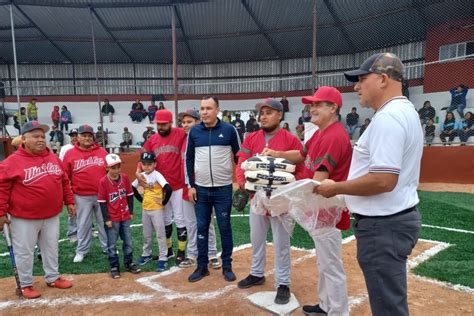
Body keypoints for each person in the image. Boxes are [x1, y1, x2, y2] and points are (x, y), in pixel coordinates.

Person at [317, 52, 423, 316]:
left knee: (388, 307)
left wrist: (336, 187)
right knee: (390, 301)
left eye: (362, 79)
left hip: (383, 226)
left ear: (383, 79)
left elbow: (383, 180)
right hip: (393, 220)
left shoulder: (389, 117)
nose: (356, 86)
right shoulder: (404, 111)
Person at [262, 87, 352, 315]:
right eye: (312, 104)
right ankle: (325, 305)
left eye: (319, 104)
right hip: (319, 208)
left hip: (327, 208)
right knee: (324, 263)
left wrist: (284, 193)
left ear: (333, 108)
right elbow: (302, 155)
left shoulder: (334, 136)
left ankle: (338, 311)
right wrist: (276, 153)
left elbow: (318, 182)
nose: (312, 108)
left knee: (331, 265)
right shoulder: (319, 133)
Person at [235, 98, 304, 305]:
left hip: (281, 200)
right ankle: (257, 273)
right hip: (257, 198)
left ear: (280, 115)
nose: (263, 116)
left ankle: (283, 283)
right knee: (256, 239)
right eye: (261, 113)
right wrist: (242, 184)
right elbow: (241, 163)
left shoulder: (291, 140)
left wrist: (288, 191)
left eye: (269, 112)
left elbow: (300, 169)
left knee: (281, 242)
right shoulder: (251, 138)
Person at [0, 121, 75, 299]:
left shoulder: (53, 158)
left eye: (43, 136)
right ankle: (25, 284)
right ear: (24, 139)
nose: (41, 140)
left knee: (51, 248)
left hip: (51, 215)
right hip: (24, 217)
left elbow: (64, 181)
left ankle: (52, 277)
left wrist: (69, 201)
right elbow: (2, 188)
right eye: (36, 136)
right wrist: (1, 212)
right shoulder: (12, 162)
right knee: (24, 252)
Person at [185, 96, 240, 283]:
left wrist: (240, 180)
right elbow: (188, 160)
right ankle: (202, 267)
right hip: (200, 189)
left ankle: (227, 266)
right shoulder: (194, 132)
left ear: (218, 110)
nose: (204, 112)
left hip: (223, 189)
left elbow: (239, 156)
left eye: (209, 108)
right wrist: (190, 186)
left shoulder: (229, 130)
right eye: (202, 108)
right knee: (201, 228)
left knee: (225, 227)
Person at [141, 109, 187, 265]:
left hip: (178, 185)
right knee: (166, 221)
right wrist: (137, 171)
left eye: (163, 124)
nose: (160, 126)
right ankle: (169, 250)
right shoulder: (152, 139)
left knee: (180, 220)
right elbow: (144, 157)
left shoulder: (180, 133)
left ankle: (182, 252)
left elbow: (192, 131)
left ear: (171, 122)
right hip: (161, 188)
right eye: (158, 124)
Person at [178, 109, 220, 269]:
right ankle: (192, 255)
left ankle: (212, 254)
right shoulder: (182, 140)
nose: (185, 125)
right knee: (191, 224)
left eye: (189, 122)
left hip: (204, 187)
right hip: (186, 189)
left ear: (197, 122)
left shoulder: (204, 138)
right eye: (183, 122)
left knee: (207, 223)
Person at [62, 124, 108, 263]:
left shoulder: (102, 152)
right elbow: (65, 176)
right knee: (83, 224)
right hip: (81, 195)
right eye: (84, 135)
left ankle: (107, 247)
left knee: (104, 222)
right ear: (78, 137)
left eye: (89, 136)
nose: (87, 138)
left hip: (101, 195)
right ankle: (82, 250)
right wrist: (68, 199)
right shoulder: (70, 153)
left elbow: (110, 172)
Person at [98, 154, 141, 278]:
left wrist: (131, 211)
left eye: (118, 167)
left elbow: (129, 195)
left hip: (125, 216)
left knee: (128, 241)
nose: (116, 170)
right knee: (112, 244)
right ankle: (114, 266)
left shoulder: (125, 178)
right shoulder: (103, 182)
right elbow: (102, 203)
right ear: (106, 168)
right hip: (112, 218)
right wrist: (107, 219)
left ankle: (129, 263)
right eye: (113, 168)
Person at [132, 152, 172, 271]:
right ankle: (146, 254)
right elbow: (132, 187)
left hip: (157, 210)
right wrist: (141, 200)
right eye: (144, 164)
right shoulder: (142, 175)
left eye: (149, 164)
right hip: (146, 209)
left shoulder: (157, 175)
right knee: (147, 234)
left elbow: (168, 188)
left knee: (160, 234)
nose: (147, 166)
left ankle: (163, 258)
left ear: (155, 164)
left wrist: (163, 203)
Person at [59, 128, 79, 243]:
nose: (74, 137)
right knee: (72, 208)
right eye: (72, 135)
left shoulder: (85, 147)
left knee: (86, 209)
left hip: (82, 182)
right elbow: (63, 165)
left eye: (76, 135)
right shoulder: (65, 148)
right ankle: (72, 232)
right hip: (71, 182)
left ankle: (88, 229)